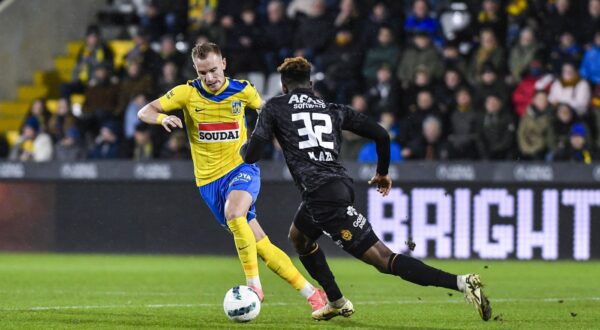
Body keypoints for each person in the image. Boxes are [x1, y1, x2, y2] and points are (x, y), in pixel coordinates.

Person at [242, 57, 492, 321]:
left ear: (283, 86)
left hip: (322, 197)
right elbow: (382, 134)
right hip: (336, 186)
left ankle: (462, 283)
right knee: (299, 237)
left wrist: (242, 144)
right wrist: (382, 173)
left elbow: (252, 155)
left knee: (384, 259)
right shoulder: (331, 108)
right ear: (311, 84)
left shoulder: (275, 107)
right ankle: (336, 300)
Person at [136, 42, 327, 314]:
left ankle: (254, 286)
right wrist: (162, 119)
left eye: (214, 70)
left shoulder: (243, 90)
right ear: (196, 70)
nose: (210, 78)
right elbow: (146, 111)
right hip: (209, 183)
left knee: (234, 212)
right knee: (261, 244)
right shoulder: (185, 94)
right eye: (203, 73)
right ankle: (312, 293)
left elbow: (266, 111)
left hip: (241, 169)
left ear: (223, 63)